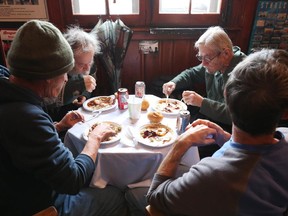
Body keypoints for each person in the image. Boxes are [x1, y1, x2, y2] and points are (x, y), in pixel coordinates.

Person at [0, 20, 127, 215]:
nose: (67, 79)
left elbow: (24, 141)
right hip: (41, 206)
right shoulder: (26, 117)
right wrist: (95, 138)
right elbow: (73, 180)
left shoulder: (7, 84)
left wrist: (58, 126)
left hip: (18, 186)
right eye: (64, 73)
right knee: (117, 195)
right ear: (49, 77)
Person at [146, 49, 288, 215]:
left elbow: (155, 196)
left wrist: (180, 144)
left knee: (129, 194)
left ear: (225, 95)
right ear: (285, 113)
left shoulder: (210, 175)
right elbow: (254, 156)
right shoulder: (284, 135)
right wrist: (226, 139)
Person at [162, 26, 246, 132]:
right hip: (212, 117)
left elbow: (233, 116)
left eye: (207, 57)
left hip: (232, 130)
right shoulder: (215, 62)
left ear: (226, 54)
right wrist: (174, 82)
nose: (203, 63)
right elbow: (191, 74)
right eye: (201, 57)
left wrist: (202, 102)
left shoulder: (244, 74)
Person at [47, 25, 99, 121]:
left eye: (90, 62)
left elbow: (90, 81)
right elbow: (48, 102)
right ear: (67, 60)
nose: (87, 68)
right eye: (81, 64)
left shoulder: (88, 61)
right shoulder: (56, 71)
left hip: (81, 114)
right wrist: (77, 86)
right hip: (57, 119)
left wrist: (84, 94)